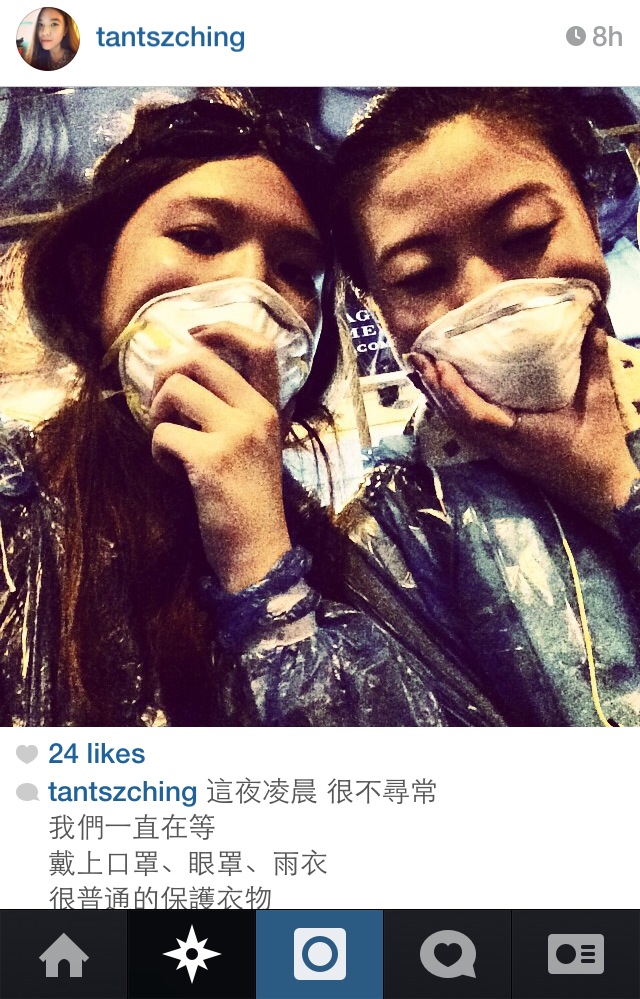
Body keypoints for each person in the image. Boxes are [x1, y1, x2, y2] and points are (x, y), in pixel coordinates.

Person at [0, 91, 482, 728]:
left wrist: (262, 568)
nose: (251, 285)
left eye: (296, 270)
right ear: (94, 276)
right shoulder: (15, 514)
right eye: (199, 238)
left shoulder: (351, 559)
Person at [333, 87, 640, 726]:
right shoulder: (390, 537)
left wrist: (612, 484)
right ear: (376, 309)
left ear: (591, 215)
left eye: (526, 232)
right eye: (420, 275)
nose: (486, 293)